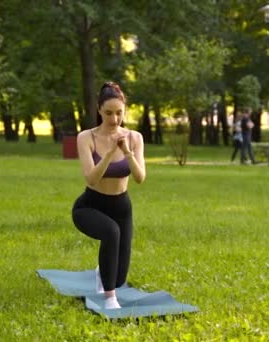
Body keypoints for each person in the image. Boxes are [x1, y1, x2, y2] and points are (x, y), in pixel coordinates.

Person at [72, 81, 146, 310]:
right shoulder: (86, 137)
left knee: (120, 276)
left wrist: (126, 152)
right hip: (90, 206)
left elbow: (140, 177)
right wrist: (110, 152)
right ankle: (109, 298)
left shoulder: (134, 137)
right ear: (99, 111)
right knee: (111, 233)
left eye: (119, 113)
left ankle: (103, 274)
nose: (114, 119)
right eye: (108, 113)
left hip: (122, 207)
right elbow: (91, 178)